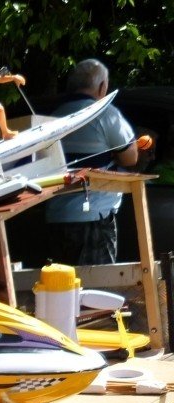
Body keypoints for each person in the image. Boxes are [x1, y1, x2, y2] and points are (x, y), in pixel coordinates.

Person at [44, 58, 139, 266]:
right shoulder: (104, 113)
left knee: (64, 289)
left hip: (56, 217)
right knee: (96, 290)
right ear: (103, 86)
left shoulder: (52, 118)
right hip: (93, 219)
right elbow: (131, 157)